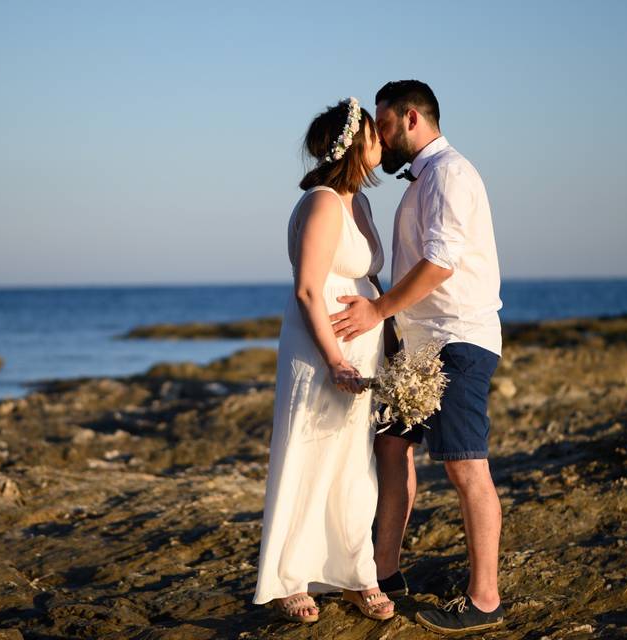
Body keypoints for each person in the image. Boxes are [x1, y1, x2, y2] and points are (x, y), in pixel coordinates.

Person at [329, 80, 506, 635]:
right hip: (418, 347)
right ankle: (386, 570)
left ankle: (484, 599)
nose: (378, 136)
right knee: (390, 446)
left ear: (409, 118)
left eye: (382, 125)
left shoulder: (451, 173)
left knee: (465, 464)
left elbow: (441, 264)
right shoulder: (422, 181)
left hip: (458, 341)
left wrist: (378, 310)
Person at [252, 97, 395, 623]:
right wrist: (335, 360)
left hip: (361, 347)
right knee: (308, 455)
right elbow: (310, 290)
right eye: (373, 135)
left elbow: (367, 278)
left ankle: (356, 574)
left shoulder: (360, 202)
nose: (382, 140)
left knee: (353, 463)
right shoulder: (321, 202)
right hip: (320, 352)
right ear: (353, 144)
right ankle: (290, 578)